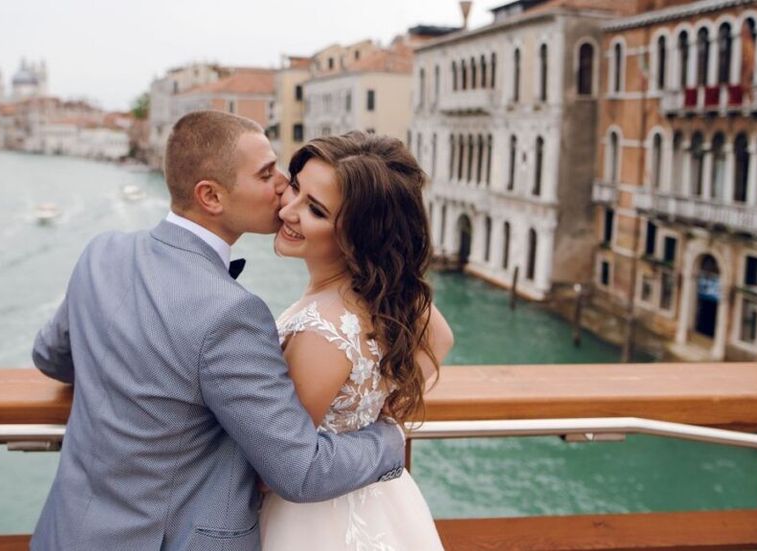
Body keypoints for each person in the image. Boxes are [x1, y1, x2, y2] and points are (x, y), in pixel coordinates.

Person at [30, 111, 406, 551]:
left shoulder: (103, 253)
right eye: (267, 174)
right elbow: (300, 471)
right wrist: (390, 439)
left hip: (68, 532)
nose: (284, 186)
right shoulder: (233, 315)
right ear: (210, 196)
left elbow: (50, 357)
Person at [260, 132, 454, 550]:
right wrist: (378, 412)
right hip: (381, 502)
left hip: (312, 523)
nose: (288, 211)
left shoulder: (321, 330)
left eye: (315, 209)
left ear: (356, 235)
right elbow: (441, 337)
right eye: (295, 186)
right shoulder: (387, 295)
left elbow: (280, 463)